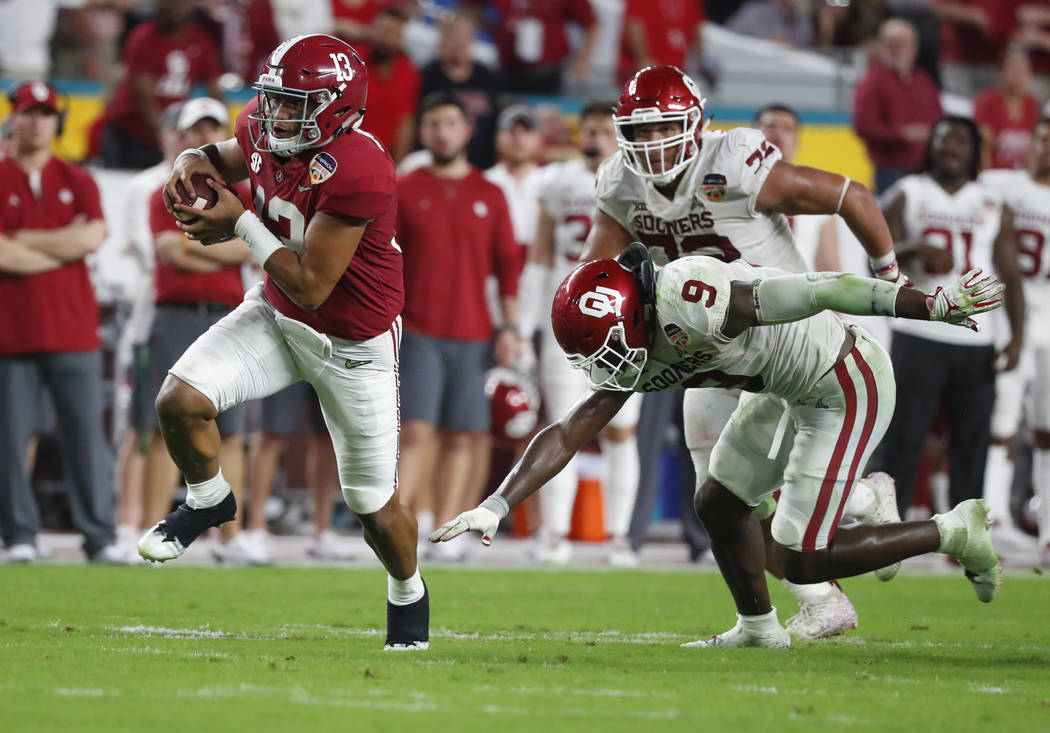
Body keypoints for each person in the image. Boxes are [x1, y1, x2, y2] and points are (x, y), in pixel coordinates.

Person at [432, 245, 1006, 647]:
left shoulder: (694, 297)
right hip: (781, 390)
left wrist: (929, 304)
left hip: (844, 379)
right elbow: (570, 429)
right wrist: (497, 503)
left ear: (635, 314)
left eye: (608, 347)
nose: (606, 365)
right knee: (717, 502)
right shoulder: (634, 332)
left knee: (802, 558)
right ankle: (759, 630)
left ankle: (954, 530)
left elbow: (822, 288)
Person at [576, 64, 906, 639]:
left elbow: (849, 195)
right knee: (721, 499)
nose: (652, 144)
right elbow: (596, 273)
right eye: (641, 131)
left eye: (664, 128)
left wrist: (890, 274)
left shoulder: (733, 163)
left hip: (780, 342)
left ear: (696, 121)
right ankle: (796, 585)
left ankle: (825, 586)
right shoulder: (620, 184)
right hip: (703, 350)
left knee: (760, 490)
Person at [136, 35, 428, 650]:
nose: (277, 115)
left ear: (336, 106)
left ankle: (408, 591)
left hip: (352, 341)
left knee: (373, 505)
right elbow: (221, 153)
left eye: (295, 103)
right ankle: (209, 499)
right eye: (275, 100)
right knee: (178, 401)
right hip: (276, 315)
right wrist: (189, 162)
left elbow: (314, 283)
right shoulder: (268, 127)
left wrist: (240, 221)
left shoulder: (362, 166)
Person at [873, 117, 1024, 519]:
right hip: (917, 332)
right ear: (931, 148)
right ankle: (888, 528)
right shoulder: (909, 192)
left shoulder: (992, 203)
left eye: (960, 141)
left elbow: (1010, 274)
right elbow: (877, 257)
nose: (951, 148)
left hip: (976, 339)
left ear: (975, 152)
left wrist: (1018, 337)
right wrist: (912, 249)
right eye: (942, 140)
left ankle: (966, 535)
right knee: (903, 439)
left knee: (972, 445)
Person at [0, 81, 123, 564]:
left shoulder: (78, 179)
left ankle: (99, 537)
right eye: (28, 112)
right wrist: (61, 244)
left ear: (57, 122)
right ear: (13, 117)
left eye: (45, 114)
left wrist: (21, 240)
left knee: (86, 439)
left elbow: (92, 237)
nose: (36, 122)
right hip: (11, 333)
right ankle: (20, 535)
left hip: (73, 331)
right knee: (11, 440)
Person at [394, 92, 521, 559]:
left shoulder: (492, 194)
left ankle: (446, 532)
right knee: (417, 432)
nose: (442, 132)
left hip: (474, 331)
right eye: (434, 124)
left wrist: (510, 327)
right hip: (418, 329)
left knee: (464, 434)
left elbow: (508, 267)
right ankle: (403, 524)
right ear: (423, 132)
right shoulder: (405, 187)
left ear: (467, 130)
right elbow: (386, 259)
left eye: (450, 123)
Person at [519, 100, 642, 566]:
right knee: (562, 424)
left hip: (623, 322)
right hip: (566, 316)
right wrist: (524, 326)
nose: (594, 140)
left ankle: (619, 536)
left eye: (604, 132)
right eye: (588, 131)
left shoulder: (639, 183)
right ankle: (553, 533)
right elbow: (540, 257)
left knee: (620, 431)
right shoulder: (558, 183)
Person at [140, 97, 259, 566]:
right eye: (198, 128)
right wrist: (227, 242)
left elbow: (246, 252)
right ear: (185, 136)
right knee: (161, 428)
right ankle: (151, 522)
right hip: (176, 312)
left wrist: (205, 245)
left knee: (233, 431)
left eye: (214, 127)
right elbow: (170, 251)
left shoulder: (243, 195)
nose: (204, 135)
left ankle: (230, 540)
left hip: (230, 313)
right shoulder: (165, 190)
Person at [978, 117, 1050, 561]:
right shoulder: (999, 184)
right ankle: (993, 516)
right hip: (1012, 308)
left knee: (1045, 430)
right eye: (1043, 139)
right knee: (1002, 417)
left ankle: (1046, 532)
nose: (1046, 148)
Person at [98, 0, 225, 169]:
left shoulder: (201, 41)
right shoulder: (143, 38)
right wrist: (170, 135)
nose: (173, 8)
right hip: (130, 134)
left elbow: (214, 90)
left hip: (170, 134)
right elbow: (144, 99)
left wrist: (223, 133)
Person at [853, 18, 943, 193]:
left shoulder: (923, 81)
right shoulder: (872, 81)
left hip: (926, 168)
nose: (900, 50)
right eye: (894, 44)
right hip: (891, 169)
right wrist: (902, 134)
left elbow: (938, 117)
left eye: (906, 44)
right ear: (882, 46)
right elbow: (863, 125)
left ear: (915, 48)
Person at [417, 11, 499, 170]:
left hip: (482, 165)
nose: (459, 42)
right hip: (435, 164)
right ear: (442, 40)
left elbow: (494, 125)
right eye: (453, 35)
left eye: (465, 36)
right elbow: (415, 123)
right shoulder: (427, 75)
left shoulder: (487, 77)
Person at [358, 8, 420, 164]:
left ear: (402, 38)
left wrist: (400, 165)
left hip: (383, 159)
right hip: (347, 153)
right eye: (382, 30)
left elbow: (405, 122)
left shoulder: (409, 72)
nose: (386, 38)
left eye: (393, 33)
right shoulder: (354, 62)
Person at [974, 47, 1039, 171]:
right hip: (994, 174)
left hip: (1021, 175)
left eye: (1024, 71)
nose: (1019, 76)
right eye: (1014, 70)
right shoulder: (986, 101)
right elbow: (983, 146)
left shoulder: (1031, 103)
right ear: (1001, 72)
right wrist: (984, 177)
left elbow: (1032, 148)